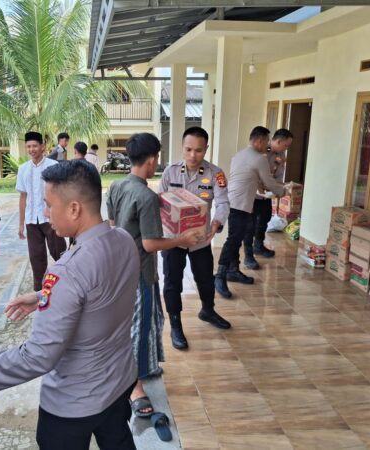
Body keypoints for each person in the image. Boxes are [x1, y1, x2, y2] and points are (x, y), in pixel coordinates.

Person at [0, 160, 140, 450]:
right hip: (119, 381)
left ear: (74, 209)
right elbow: (103, 292)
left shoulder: (67, 271)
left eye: (48, 204)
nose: (45, 212)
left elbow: (39, 355)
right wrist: (44, 294)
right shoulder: (123, 239)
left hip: (75, 401)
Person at [107, 132, 199, 417]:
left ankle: (143, 368)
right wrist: (182, 239)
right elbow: (149, 244)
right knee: (141, 327)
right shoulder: (146, 196)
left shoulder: (116, 185)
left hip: (119, 267)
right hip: (140, 272)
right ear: (151, 159)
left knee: (143, 322)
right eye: (157, 157)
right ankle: (134, 385)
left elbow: (112, 224)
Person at [159, 127, 231, 350]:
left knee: (206, 279)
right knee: (172, 282)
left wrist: (216, 222)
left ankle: (207, 310)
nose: (192, 155)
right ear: (182, 147)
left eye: (198, 150)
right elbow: (160, 202)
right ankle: (176, 325)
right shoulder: (170, 172)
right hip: (174, 240)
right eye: (188, 149)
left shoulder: (215, 174)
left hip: (200, 239)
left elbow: (223, 202)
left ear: (206, 149)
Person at [215, 126, 286, 290]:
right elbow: (269, 182)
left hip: (233, 202)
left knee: (235, 238)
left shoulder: (239, 155)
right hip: (240, 204)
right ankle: (220, 275)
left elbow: (248, 177)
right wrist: (283, 191)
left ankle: (233, 270)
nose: (267, 145)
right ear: (260, 140)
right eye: (266, 141)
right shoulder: (259, 158)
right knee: (233, 240)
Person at [17, 132, 67, 291]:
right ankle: (39, 292)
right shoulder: (23, 169)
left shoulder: (53, 166)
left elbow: (61, 193)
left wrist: (60, 216)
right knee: (36, 258)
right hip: (31, 220)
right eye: (28, 146)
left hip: (51, 219)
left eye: (34, 146)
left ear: (42, 146)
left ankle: (68, 284)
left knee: (60, 253)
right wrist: (21, 223)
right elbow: (23, 197)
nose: (31, 149)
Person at [242, 128, 294, 270]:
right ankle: (248, 256)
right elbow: (251, 171)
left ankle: (258, 246)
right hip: (253, 194)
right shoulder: (260, 150)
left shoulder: (281, 155)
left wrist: (279, 186)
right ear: (278, 141)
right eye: (286, 145)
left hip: (267, 194)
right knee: (250, 225)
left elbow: (278, 174)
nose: (286, 148)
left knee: (265, 218)